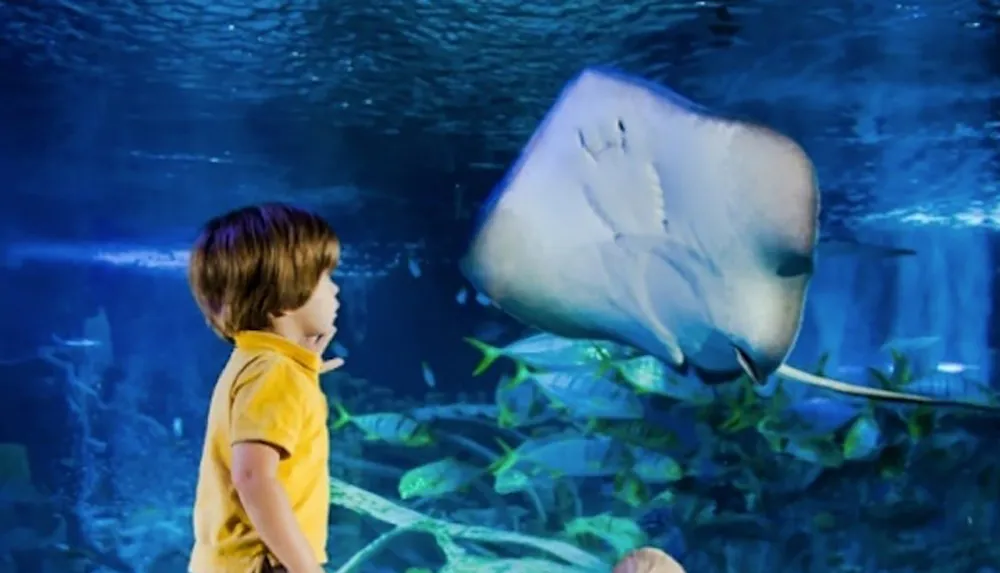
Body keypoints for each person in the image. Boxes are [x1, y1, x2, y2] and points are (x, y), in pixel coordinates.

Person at [186, 203, 345, 573]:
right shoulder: (276, 373)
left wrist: (303, 368)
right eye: (326, 278)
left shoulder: (257, 361)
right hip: (264, 564)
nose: (336, 291)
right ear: (286, 291)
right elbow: (253, 476)